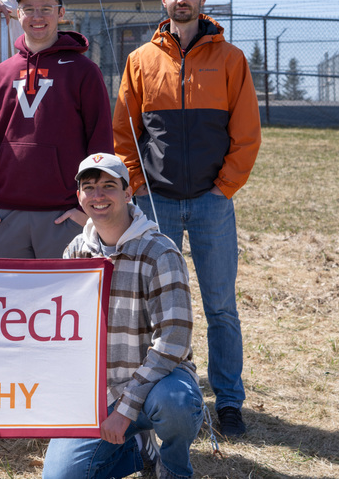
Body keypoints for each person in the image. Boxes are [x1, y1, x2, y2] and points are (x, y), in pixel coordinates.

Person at [113, 0, 261, 437]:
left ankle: (230, 401)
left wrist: (223, 189)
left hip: (211, 203)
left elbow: (247, 134)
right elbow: (125, 134)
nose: (182, 0)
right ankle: (160, 396)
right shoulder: (140, 60)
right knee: (152, 306)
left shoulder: (231, 60)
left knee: (220, 306)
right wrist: (136, 184)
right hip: (157, 203)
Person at [43, 153, 203, 479]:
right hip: (100, 392)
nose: (98, 195)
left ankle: (172, 469)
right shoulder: (75, 253)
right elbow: (65, 331)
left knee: (177, 405)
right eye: (89, 187)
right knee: (60, 477)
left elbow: (173, 340)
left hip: (158, 385)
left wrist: (125, 410)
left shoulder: (160, 251)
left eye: (108, 186)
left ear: (128, 193)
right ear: (79, 198)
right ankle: (136, 447)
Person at [0, 0, 114, 259]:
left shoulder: (83, 71)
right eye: (29, 9)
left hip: (63, 216)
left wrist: (83, 209)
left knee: (64, 301)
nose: (37, 17)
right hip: (5, 217)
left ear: (61, 13)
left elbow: (100, 145)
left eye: (46, 8)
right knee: (11, 301)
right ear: (17, 14)